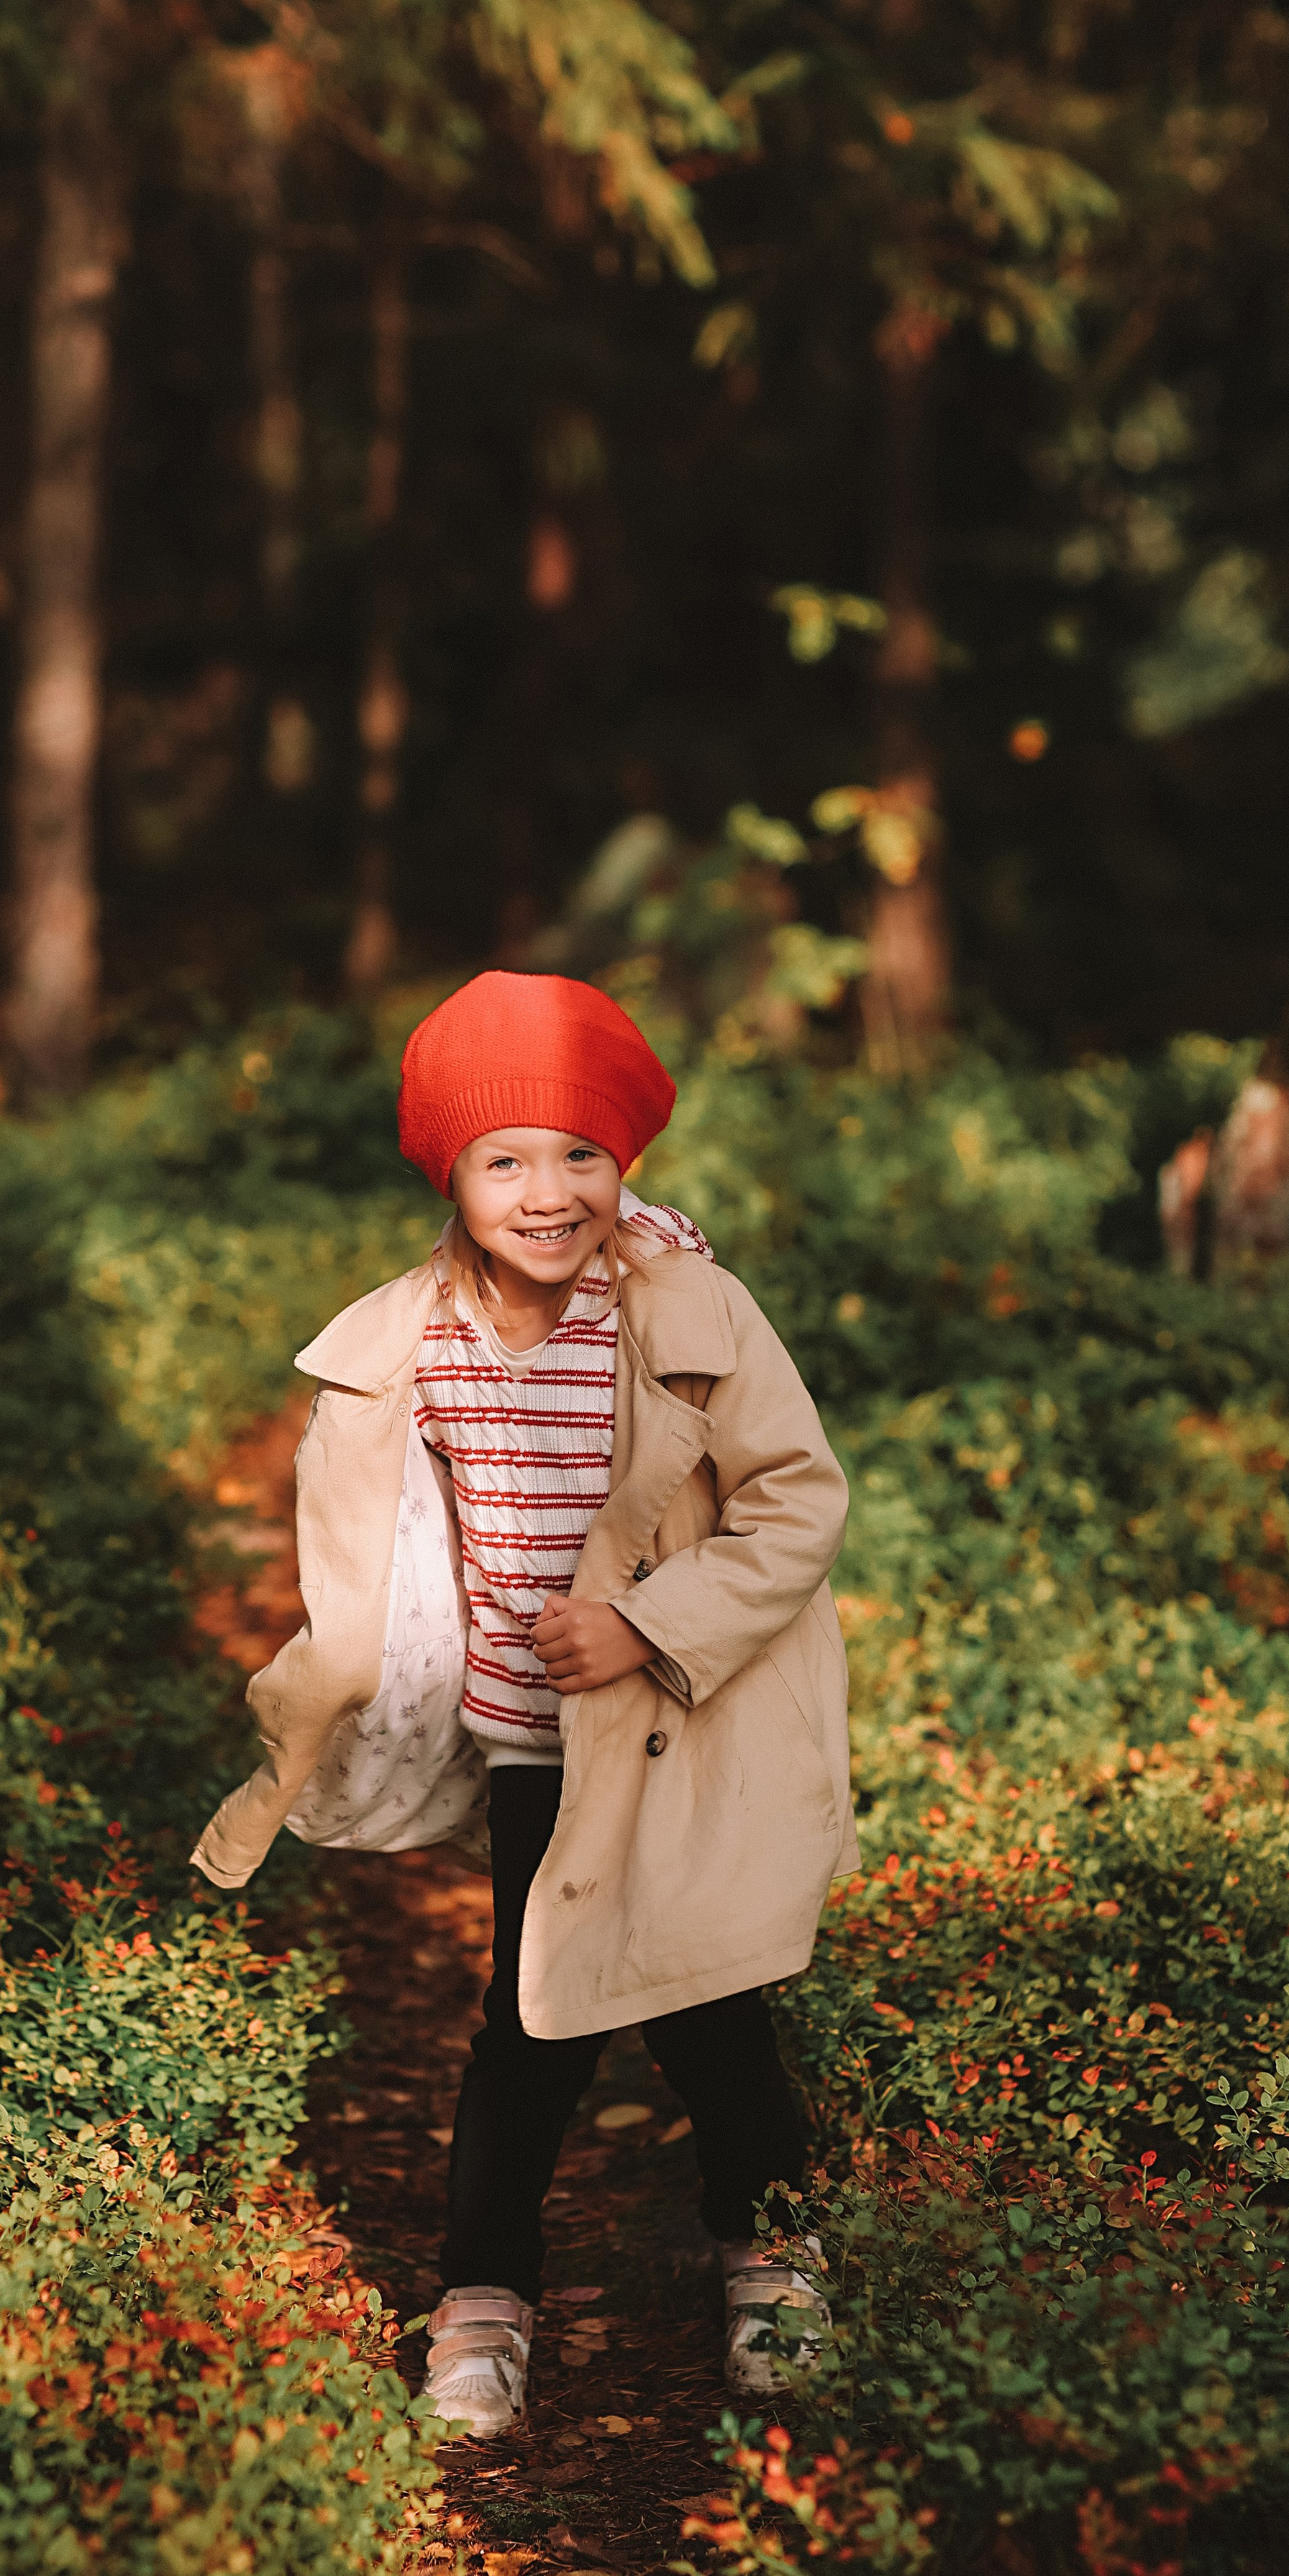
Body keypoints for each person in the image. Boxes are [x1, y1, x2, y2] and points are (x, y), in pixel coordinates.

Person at [191, 972, 856, 2434]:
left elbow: (794, 1501)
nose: (546, 1191)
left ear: (624, 1166)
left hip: (684, 1710)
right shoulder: (410, 1339)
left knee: (708, 2009)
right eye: (505, 1159)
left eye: (580, 1156)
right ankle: (483, 2295)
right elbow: (368, 1538)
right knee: (532, 2014)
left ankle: (770, 2258)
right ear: (450, 1172)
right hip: (528, 1733)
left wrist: (641, 1625)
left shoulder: (683, 1311)